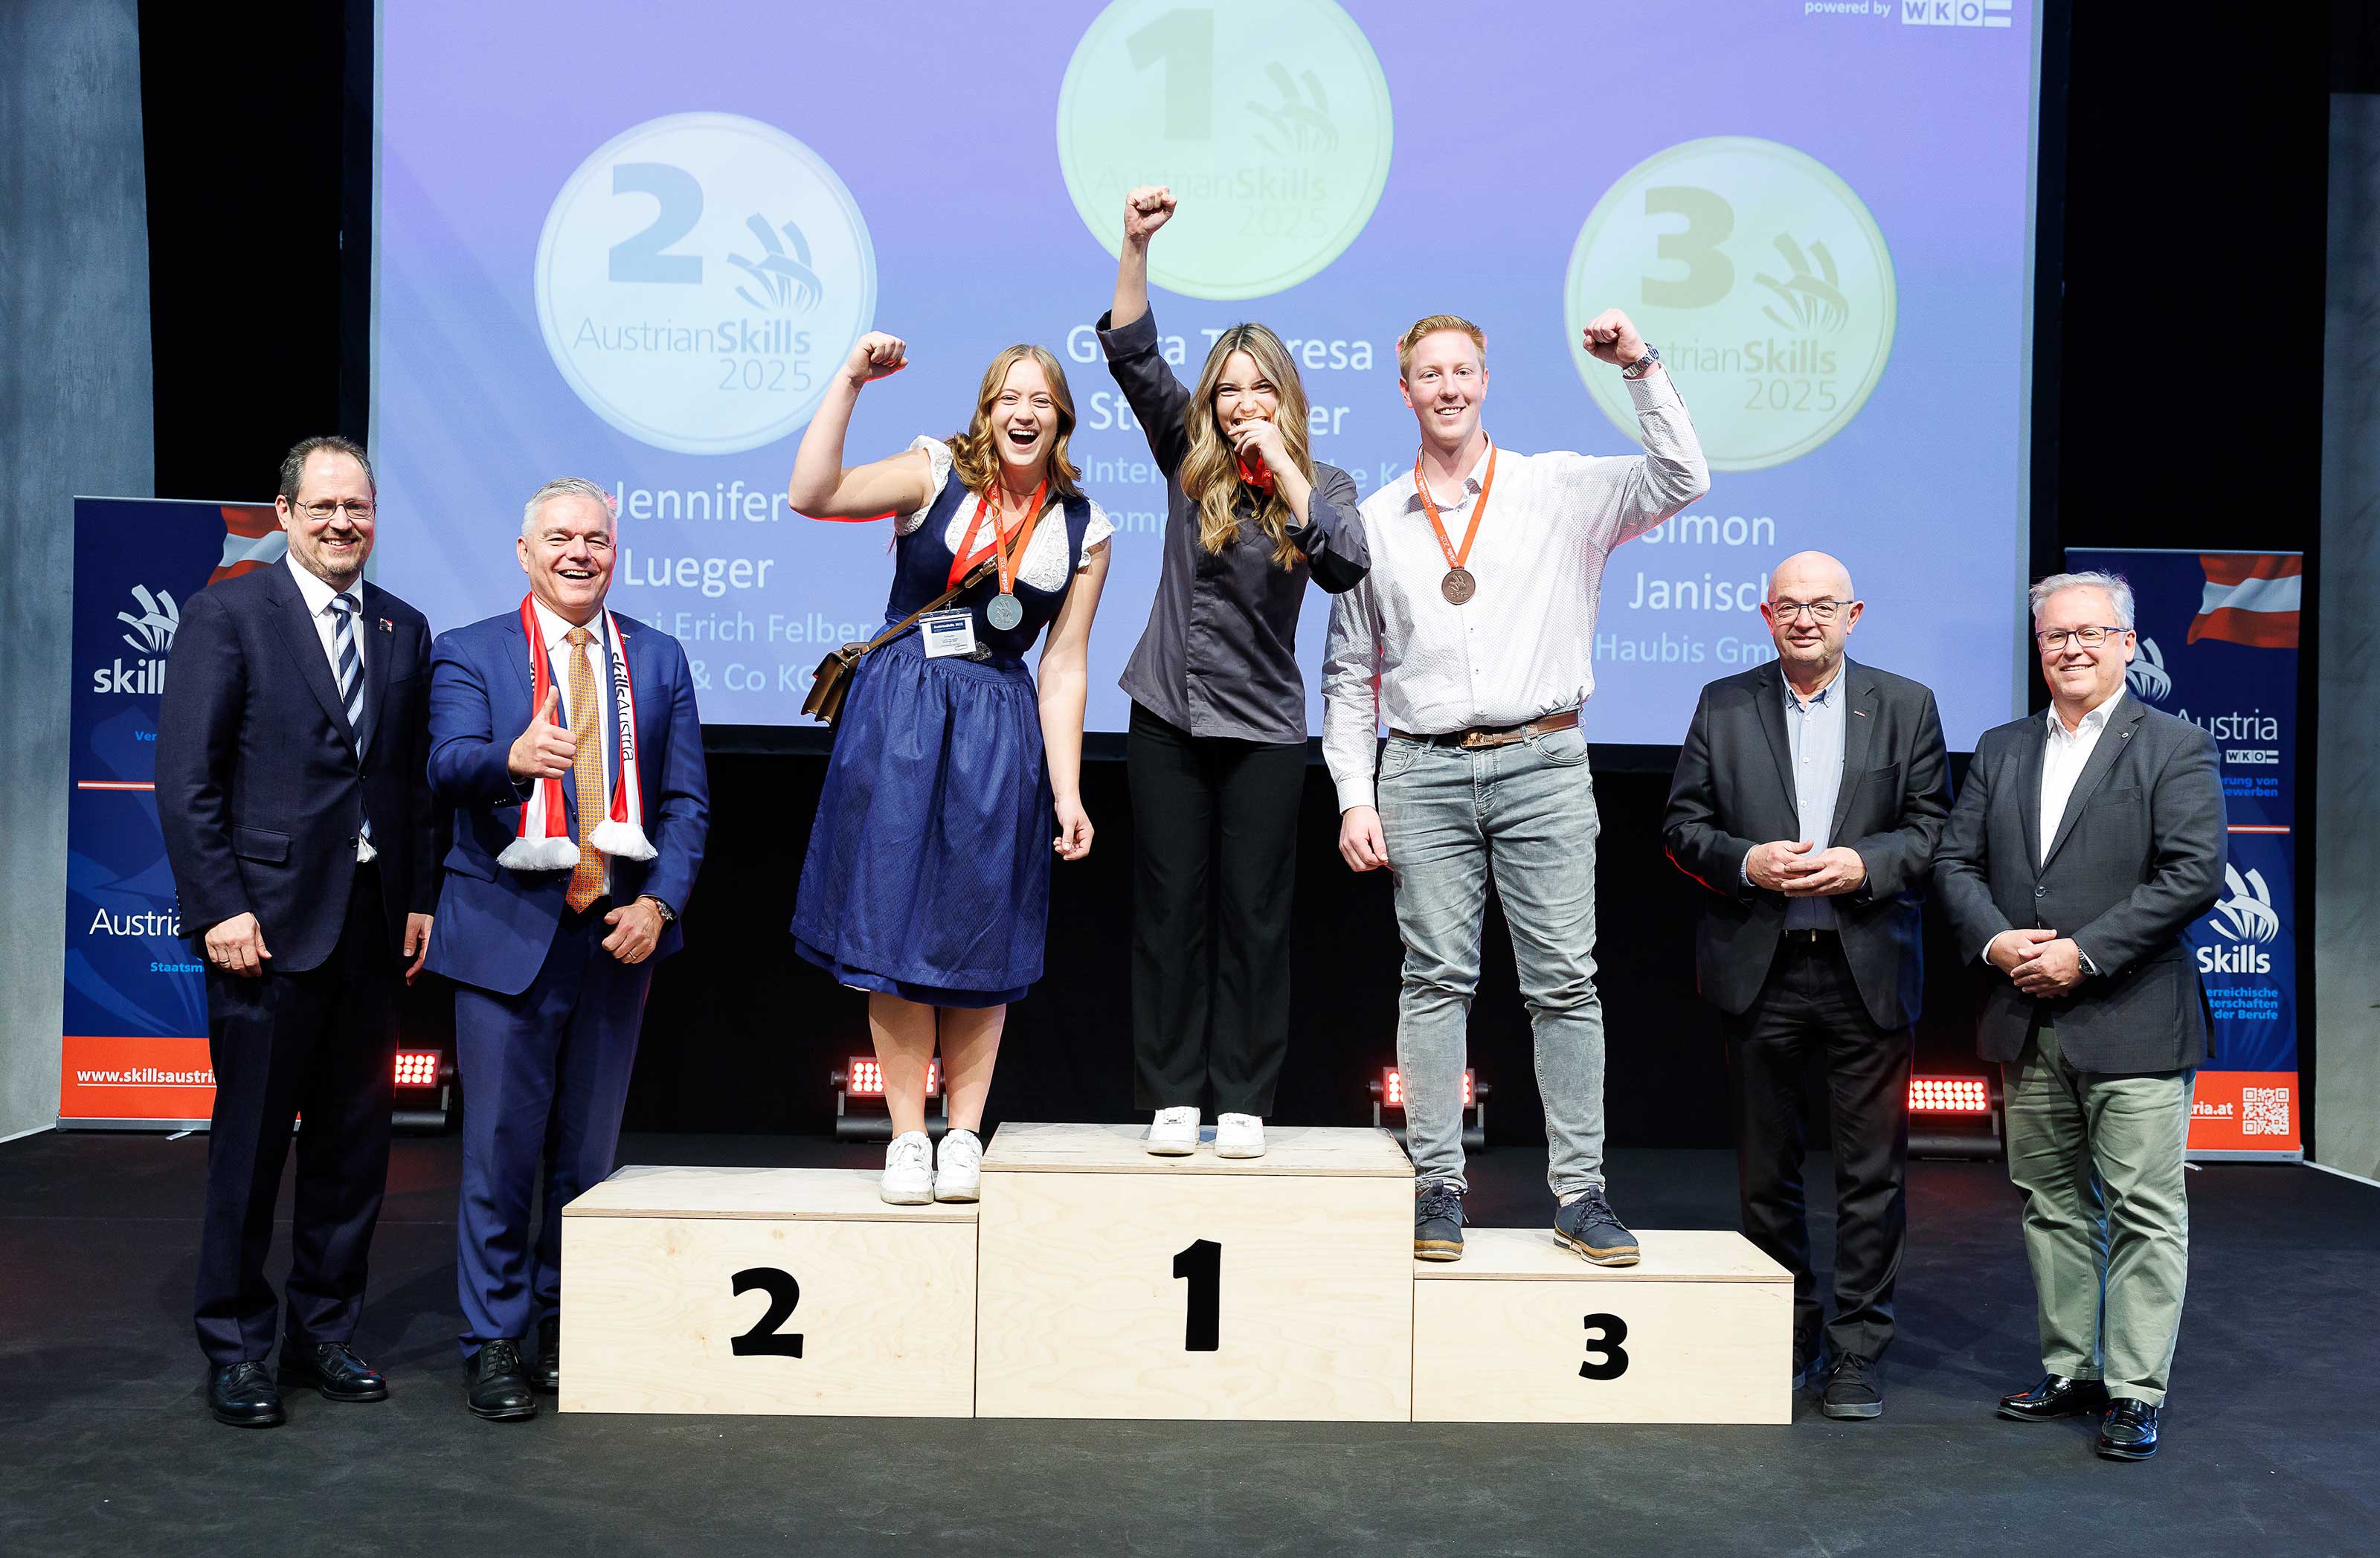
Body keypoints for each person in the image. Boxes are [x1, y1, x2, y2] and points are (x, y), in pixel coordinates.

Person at [1321, 310, 1707, 1264]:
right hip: (1421, 770)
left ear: (1485, 382)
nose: (1447, 388)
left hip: (1543, 760)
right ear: (1403, 391)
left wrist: (1638, 365)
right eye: (1429, 374)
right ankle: (1436, 1186)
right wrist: (1353, 793)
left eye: (1462, 371)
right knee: (1433, 981)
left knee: (1564, 982)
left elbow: (1682, 477)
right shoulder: (1373, 522)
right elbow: (1348, 672)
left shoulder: (1557, 487)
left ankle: (1579, 1194)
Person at [787, 331, 1111, 1205]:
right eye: (1008, 397)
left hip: (997, 725)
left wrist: (1069, 790)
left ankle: (963, 1133)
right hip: (901, 709)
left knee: (979, 927)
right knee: (891, 922)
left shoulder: (1083, 528)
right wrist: (849, 380)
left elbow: (1064, 666)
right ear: (985, 411)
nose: (1023, 412)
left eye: (1040, 400)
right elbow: (811, 493)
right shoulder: (934, 472)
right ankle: (906, 1135)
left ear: (1062, 419)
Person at [155, 435, 439, 1429]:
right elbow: (185, 780)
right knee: (250, 1148)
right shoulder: (229, 613)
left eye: (356, 507)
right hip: (263, 927)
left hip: (370, 927)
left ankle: (324, 1330)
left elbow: (406, 781)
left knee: (354, 1149)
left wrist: (418, 894)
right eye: (321, 507)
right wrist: (219, 905)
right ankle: (237, 1346)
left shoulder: (403, 625)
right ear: (284, 515)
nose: (340, 523)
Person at [424, 477, 710, 1421]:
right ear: (524, 552)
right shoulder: (470, 651)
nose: (579, 552)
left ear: (614, 553)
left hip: (616, 940)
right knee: (499, 1155)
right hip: (505, 936)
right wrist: (509, 759)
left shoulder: (656, 657)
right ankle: (496, 1341)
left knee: (586, 1159)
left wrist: (660, 903)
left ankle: (564, 1329)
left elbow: (685, 802)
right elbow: (446, 765)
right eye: (559, 537)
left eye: (595, 538)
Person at [1097, 186, 1369, 1159]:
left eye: (1260, 390)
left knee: (1254, 914)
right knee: (1170, 907)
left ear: (1285, 398)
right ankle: (1174, 1092)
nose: (1242, 405)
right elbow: (1134, 356)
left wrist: (1284, 467)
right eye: (1229, 391)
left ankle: (1245, 1094)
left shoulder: (1323, 484)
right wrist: (1135, 247)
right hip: (1167, 713)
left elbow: (1344, 562)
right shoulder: (1188, 456)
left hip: (1263, 729)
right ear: (1209, 402)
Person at [1932, 570, 2224, 1462]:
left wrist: (2083, 952)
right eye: (2055, 635)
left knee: (2142, 1211)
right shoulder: (2002, 746)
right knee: (2050, 1204)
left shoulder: (2173, 745)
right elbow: (1952, 862)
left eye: (2089, 632)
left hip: (2132, 1015)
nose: (2071, 648)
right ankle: (2072, 1369)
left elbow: (2192, 873)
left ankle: (2135, 1389)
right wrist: (1996, 943)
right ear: (2038, 648)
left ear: (2126, 643)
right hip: (2024, 1014)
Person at [1660, 552, 1950, 1419]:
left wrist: (1865, 864)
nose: (1803, 619)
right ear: (1763, 615)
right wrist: (1744, 861)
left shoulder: (1905, 705)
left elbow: (1931, 828)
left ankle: (1857, 1348)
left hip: (1867, 965)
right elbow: (1681, 824)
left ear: (1852, 616)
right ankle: (1788, 1330)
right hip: (1762, 966)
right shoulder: (1723, 702)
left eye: (1821, 606)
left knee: (1870, 1176)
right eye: (1787, 605)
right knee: (1765, 1175)